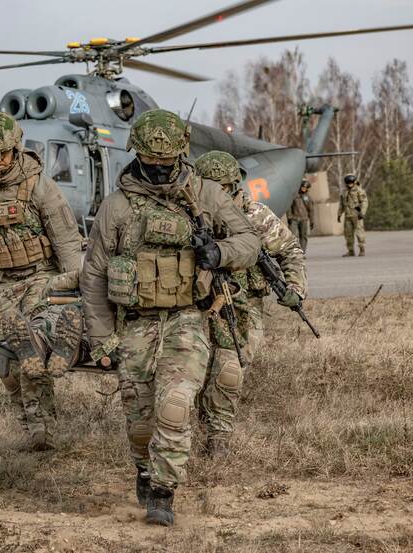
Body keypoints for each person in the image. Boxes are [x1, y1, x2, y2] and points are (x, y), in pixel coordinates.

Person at [80, 110, 261, 526]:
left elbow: (248, 241)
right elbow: (94, 276)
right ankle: (144, 470)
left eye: (167, 162)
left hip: (187, 319)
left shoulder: (207, 194)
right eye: (151, 162)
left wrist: (219, 253)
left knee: (175, 405)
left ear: (181, 153)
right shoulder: (118, 206)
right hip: (136, 323)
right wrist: (103, 338)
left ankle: (164, 492)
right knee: (139, 419)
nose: (160, 170)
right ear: (137, 154)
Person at [0, 112, 82, 451]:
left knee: (31, 350)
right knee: (9, 365)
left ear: (16, 148)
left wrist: (75, 288)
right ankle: (28, 421)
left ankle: (42, 430)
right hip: (0, 284)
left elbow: (67, 242)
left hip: (40, 277)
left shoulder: (41, 187)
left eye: (2, 155)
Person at [194, 151, 307, 456]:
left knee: (229, 369)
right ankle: (198, 424)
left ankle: (218, 437)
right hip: (199, 306)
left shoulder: (256, 216)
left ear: (234, 186)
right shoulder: (190, 217)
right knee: (196, 370)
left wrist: (294, 286)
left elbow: (289, 250)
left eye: (223, 190)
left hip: (244, 306)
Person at [338, 173, 368, 257]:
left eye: (351, 182)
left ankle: (362, 249)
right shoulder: (344, 192)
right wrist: (339, 214)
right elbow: (342, 204)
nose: (349, 184)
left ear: (354, 182)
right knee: (348, 234)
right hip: (348, 216)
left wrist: (362, 212)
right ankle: (350, 251)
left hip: (357, 215)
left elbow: (364, 202)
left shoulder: (359, 191)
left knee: (359, 233)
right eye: (348, 183)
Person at [286, 179, 315, 255]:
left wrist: (312, 221)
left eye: (305, 187)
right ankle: (292, 252)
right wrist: (289, 217)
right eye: (303, 187)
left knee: (303, 236)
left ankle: (302, 252)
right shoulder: (294, 196)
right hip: (294, 219)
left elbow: (311, 210)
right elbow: (289, 207)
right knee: (292, 236)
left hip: (304, 219)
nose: (304, 189)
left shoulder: (308, 197)